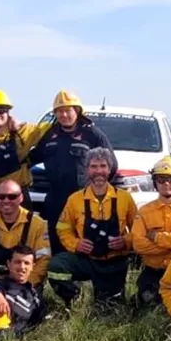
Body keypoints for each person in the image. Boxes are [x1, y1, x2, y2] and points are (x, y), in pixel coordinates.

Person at [28, 90, 118, 255]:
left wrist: (97, 191)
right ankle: (60, 277)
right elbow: (32, 158)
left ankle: (85, 276)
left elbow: (111, 165)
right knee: (57, 241)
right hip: (55, 198)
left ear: (77, 111)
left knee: (85, 241)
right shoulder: (50, 134)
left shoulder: (92, 134)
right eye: (59, 111)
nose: (64, 114)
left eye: (68, 110)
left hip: (83, 199)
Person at [47, 148, 137, 307]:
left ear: (109, 169)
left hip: (114, 262)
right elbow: (62, 228)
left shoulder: (125, 198)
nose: (98, 171)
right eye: (94, 166)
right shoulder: (75, 199)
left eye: (103, 166)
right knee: (56, 266)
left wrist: (125, 241)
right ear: (87, 169)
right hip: (86, 260)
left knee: (108, 310)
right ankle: (76, 298)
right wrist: (76, 244)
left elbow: (138, 230)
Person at [0, 89, 47, 219]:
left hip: (18, 196)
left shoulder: (23, 131)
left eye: (2, 111)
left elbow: (53, 126)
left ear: (8, 113)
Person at [132, 157, 171, 306]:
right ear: (154, 182)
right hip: (154, 270)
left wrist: (155, 237)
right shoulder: (144, 211)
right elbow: (138, 244)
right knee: (146, 305)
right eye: (161, 179)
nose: (166, 183)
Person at [0, 179, 50, 286]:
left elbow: (43, 261)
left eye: (12, 197)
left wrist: (26, 286)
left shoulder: (38, 224)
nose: (6, 201)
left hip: (25, 286)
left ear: (21, 198)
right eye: (1, 196)